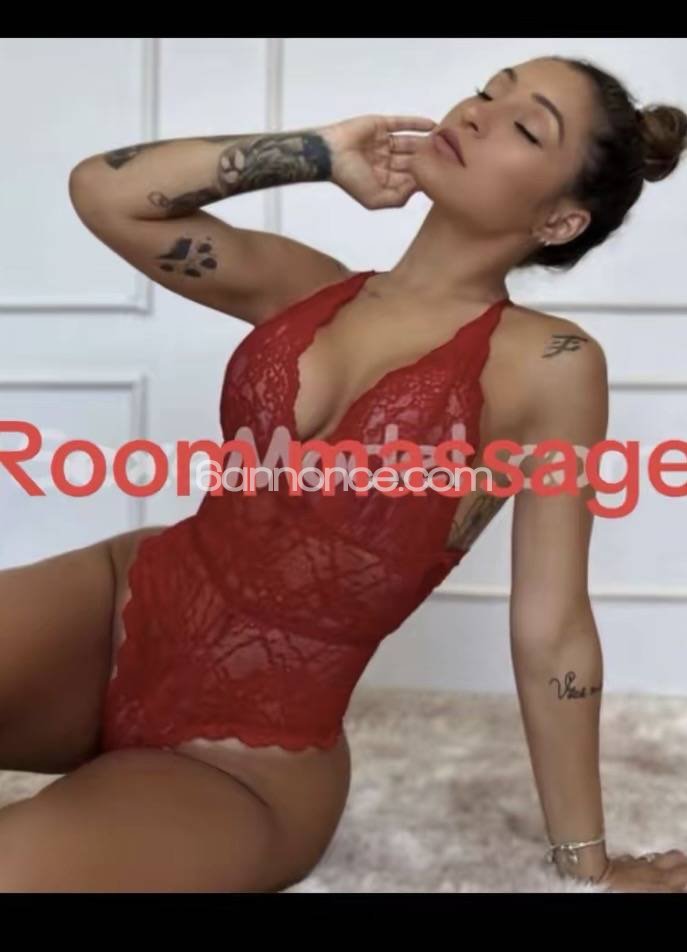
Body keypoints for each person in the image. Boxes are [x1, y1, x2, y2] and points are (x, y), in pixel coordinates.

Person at [1, 54, 686, 893]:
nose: (475, 112)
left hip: (241, 765)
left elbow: (551, 626)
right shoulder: (306, 288)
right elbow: (104, 192)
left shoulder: (550, 365)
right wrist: (319, 153)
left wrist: (588, 863)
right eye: (486, 90)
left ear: (559, 219)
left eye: (523, 126)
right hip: (117, 610)